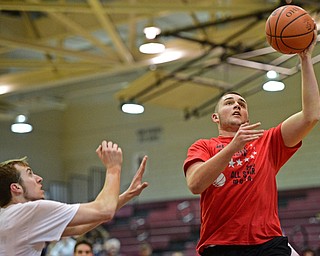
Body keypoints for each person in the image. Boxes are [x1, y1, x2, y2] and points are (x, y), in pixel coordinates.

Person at [183, 25, 319, 256]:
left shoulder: (268, 140)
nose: (236, 105)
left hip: (269, 243)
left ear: (247, 116)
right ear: (215, 117)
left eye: (242, 104)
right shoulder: (203, 146)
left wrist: (305, 59)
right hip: (222, 245)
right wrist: (234, 146)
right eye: (229, 102)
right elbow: (195, 184)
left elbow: (311, 115)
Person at [0, 140, 149, 256]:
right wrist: (113, 168)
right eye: (30, 173)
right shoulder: (30, 211)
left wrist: (127, 195)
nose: (39, 178)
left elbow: (78, 228)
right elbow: (105, 210)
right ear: (16, 188)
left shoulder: (6, 215)